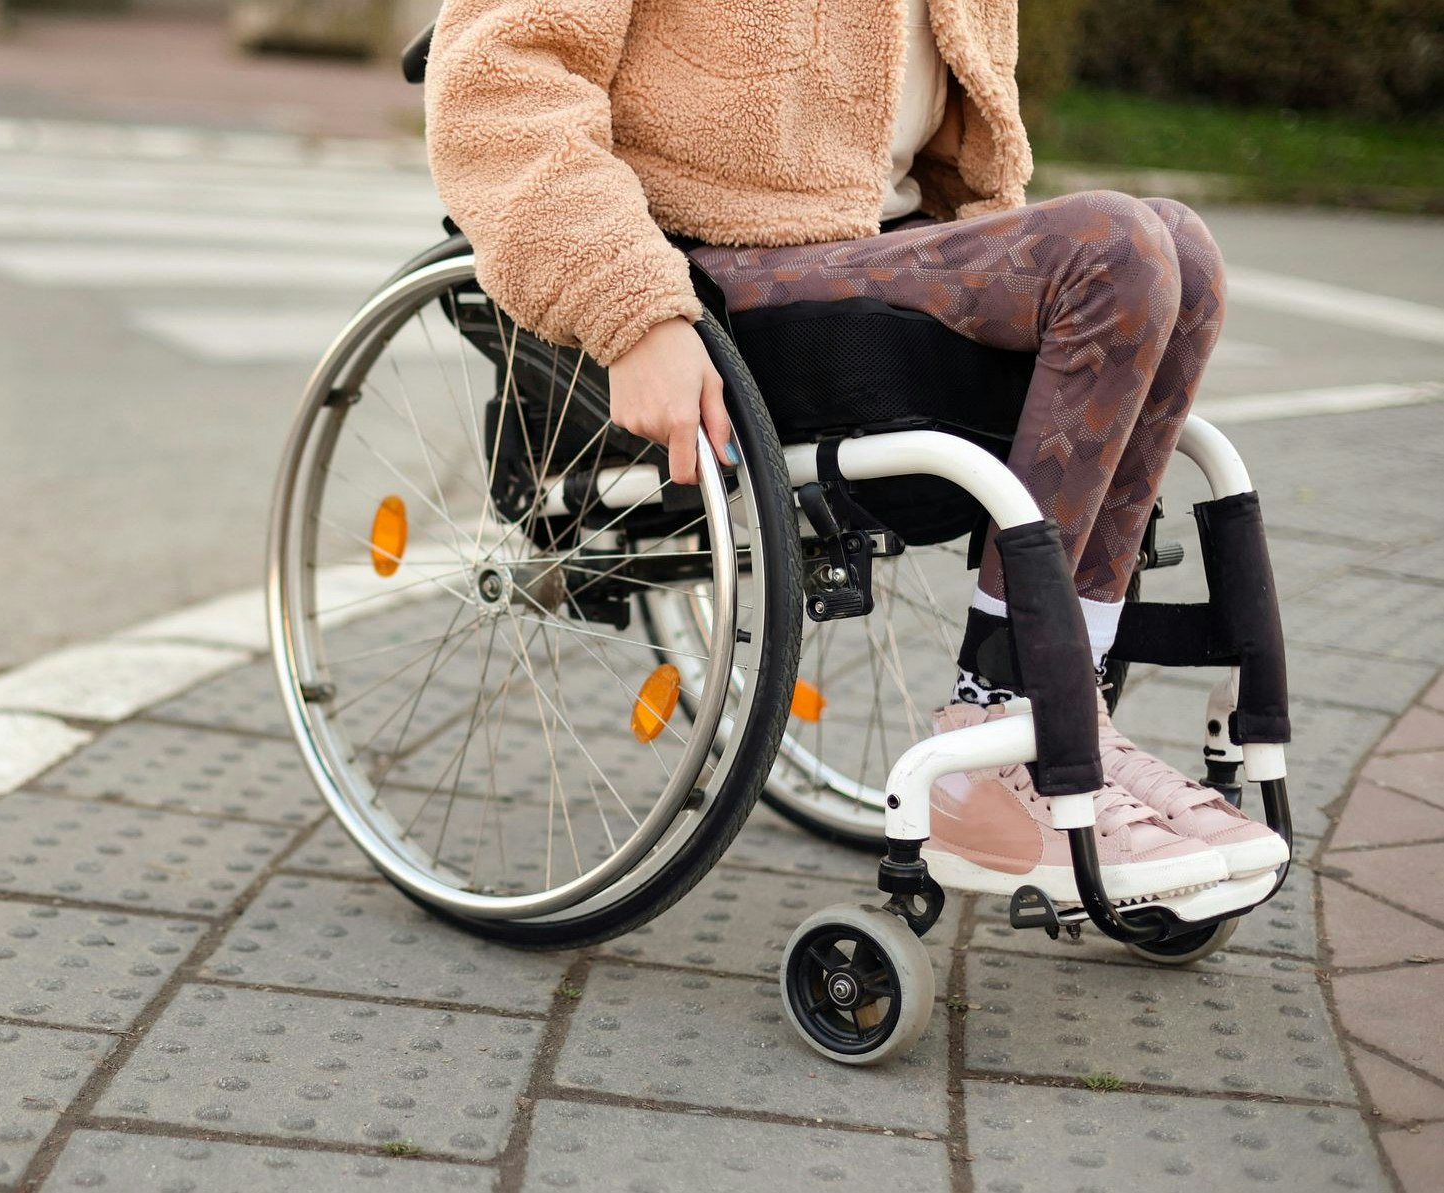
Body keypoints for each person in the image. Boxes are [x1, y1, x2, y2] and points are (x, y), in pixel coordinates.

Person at [423, 0, 1287, 902]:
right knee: (1116, 251)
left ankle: (1068, 719)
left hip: (870, 254)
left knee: (1177, 250)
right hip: (697, 257)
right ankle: (999, 722)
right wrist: (630, 309)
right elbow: (500, 82)